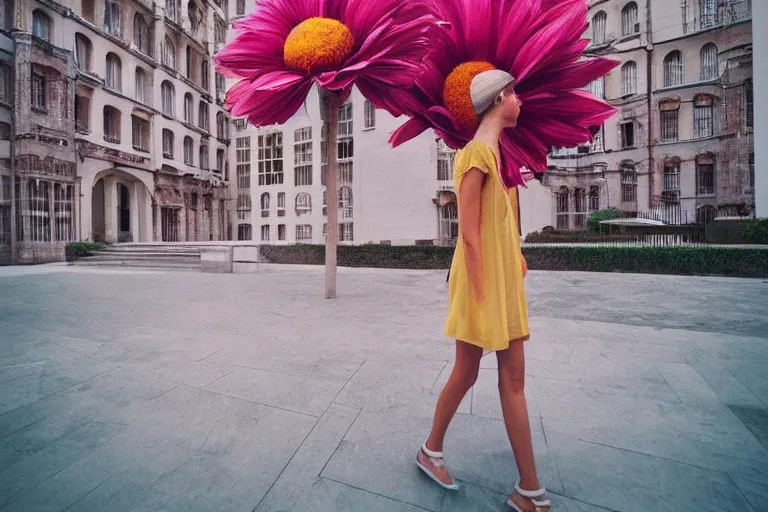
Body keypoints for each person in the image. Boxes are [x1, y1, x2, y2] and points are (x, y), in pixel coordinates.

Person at [415, 69, 549, 512]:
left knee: (512, 381)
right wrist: (482, 294)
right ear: (496, 102)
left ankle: (530, 490)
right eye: (514, 94)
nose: (519, 101)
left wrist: (517, 260)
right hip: (481, 286)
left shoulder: (496, 153)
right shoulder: (475, 155)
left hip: (502, 282)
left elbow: (497, 226)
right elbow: (469, 235)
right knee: (467, 373)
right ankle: (431, 451)